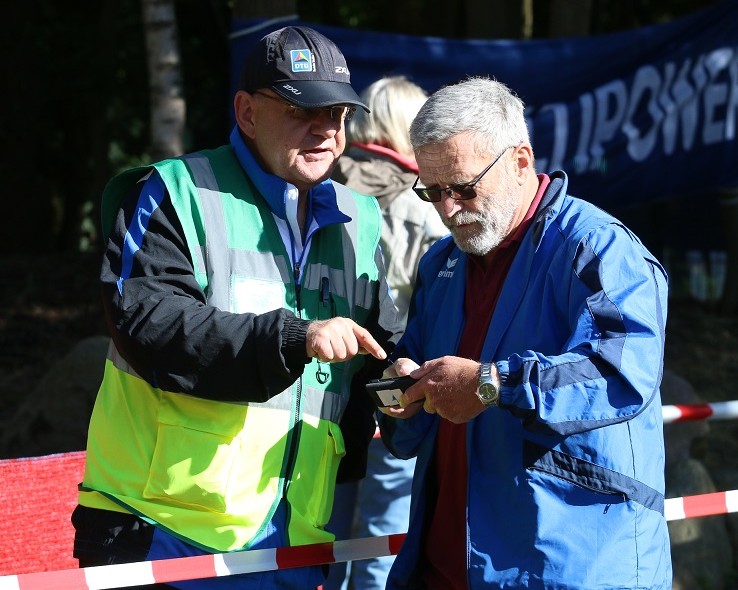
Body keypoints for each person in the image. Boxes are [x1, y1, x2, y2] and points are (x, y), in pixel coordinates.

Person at [71, 26, 403, 590]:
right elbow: (147, 323)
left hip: (294, 542)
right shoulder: (173, 191)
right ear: (247, 113)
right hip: (162, 532)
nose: (325, 130)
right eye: (303, 110)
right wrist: (295, 338)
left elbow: (378, 350)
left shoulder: (362, 219)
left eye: (338, 114)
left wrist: (404, 380)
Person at [378, 77, 672, 589]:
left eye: (463, 188)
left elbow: (622, 375)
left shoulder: (599, 247)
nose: (447, 210)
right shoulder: (442, 262)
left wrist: (491, 384)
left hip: (571, 567)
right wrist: (397, 392)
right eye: (432, 192)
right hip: (445, 566)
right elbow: (409, 417)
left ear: (520, 161)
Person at [325, 76, 447, 590]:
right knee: (385, 534)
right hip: (399, 380)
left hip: (321, 383)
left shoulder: (319, 186)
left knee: (318, 530)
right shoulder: (431, 205)